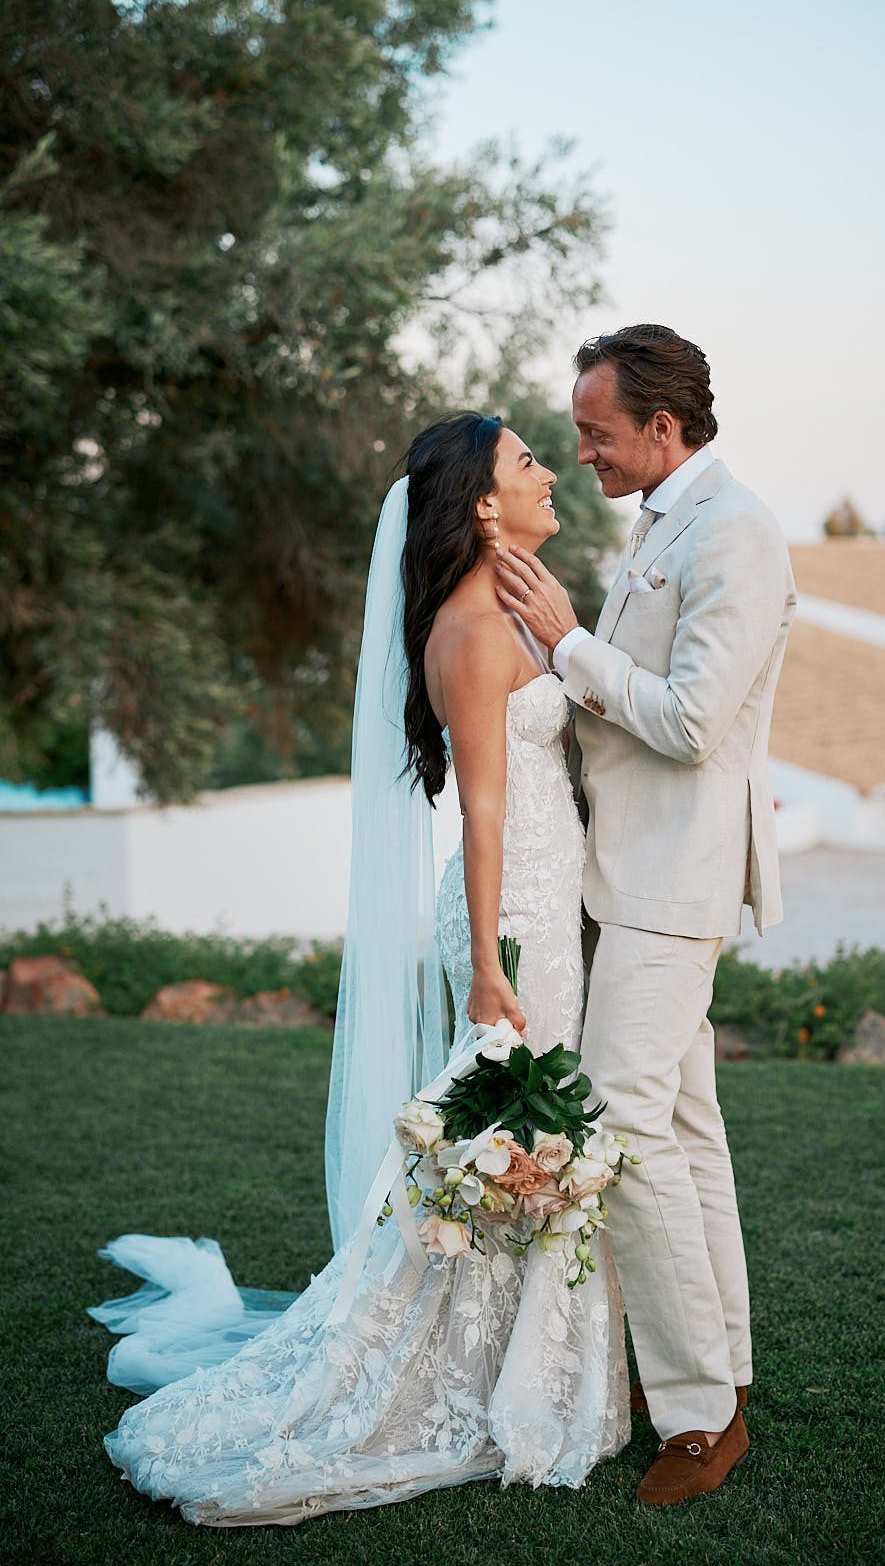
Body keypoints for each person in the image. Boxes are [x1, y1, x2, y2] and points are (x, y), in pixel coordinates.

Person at [89, 413, 628, 1526]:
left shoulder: (513, 607)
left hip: (529, 903)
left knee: (511, 1149)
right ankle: (485, 1380)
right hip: (510, 914)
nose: (547, 472)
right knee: (512, 1145)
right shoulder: (474, 635)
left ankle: (502, 1364)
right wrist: (486, 961)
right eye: (528, 459)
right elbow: (480, 808)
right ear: (482, 502)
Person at [496, 323, 796, 1507]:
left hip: (675, 878)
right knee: (682, 1118)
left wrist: (567, 638)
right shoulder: (662, 525)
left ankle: (694, 1417)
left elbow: (687, 719)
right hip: (624, 868)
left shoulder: (736, 534)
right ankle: (727, 1369)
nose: (581, 453)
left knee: (619, 1118)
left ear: (661, 428)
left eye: (597, 433)